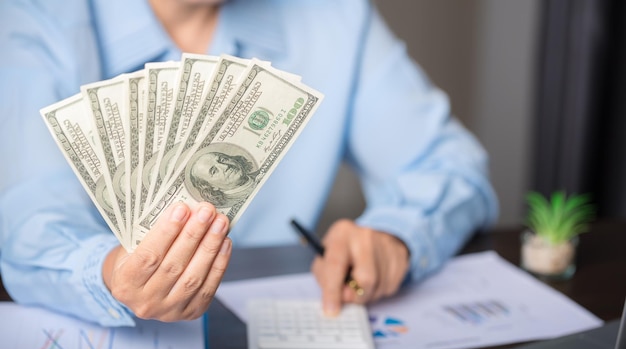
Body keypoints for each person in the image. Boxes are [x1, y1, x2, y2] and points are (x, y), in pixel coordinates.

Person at [0, 0, 499, 326]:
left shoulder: (336, 15)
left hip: (279, 332)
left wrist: (396, 234)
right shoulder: (32, 17)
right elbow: (29, 220)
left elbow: (449, 164)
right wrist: (111, 273)